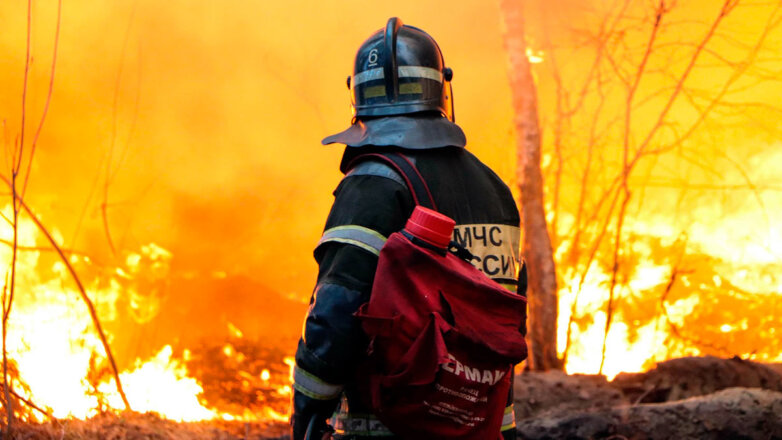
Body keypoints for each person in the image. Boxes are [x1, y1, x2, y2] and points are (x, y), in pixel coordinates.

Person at [291, 17, 526, 440]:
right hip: (476, 423)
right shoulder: (496, 190)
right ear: (442, 87)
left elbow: (338, 307)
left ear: (357, 95)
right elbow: (503, 325)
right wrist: (500, 426)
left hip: (388, 421)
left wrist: (309, 404)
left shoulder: (373, 184)